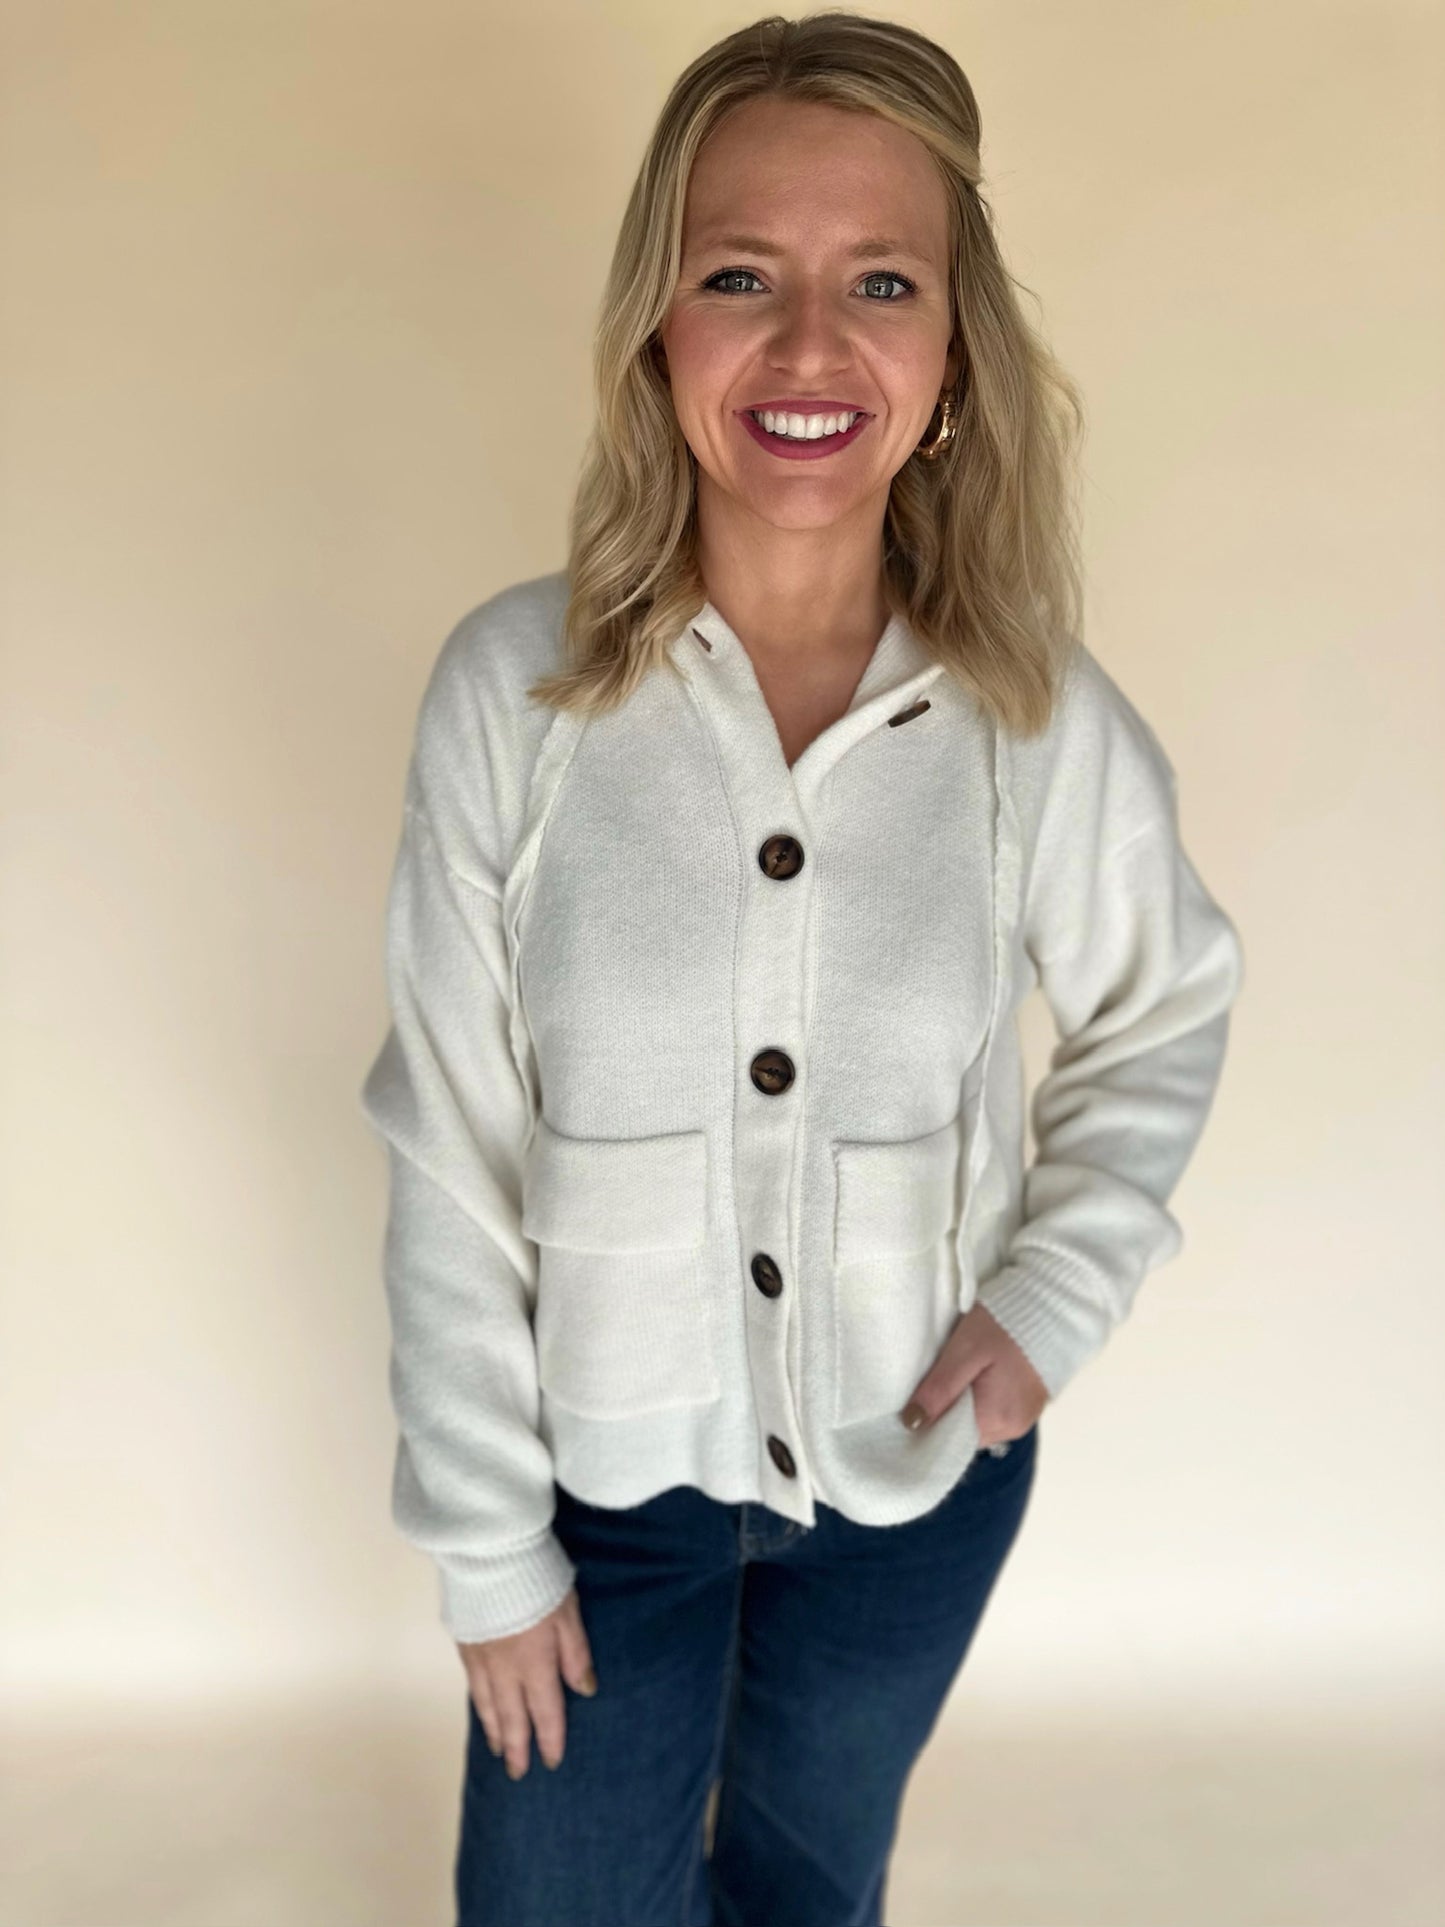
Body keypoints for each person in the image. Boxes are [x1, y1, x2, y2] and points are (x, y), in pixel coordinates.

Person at [358, 14, 1246, 1925]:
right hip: (596, 1508)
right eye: (738, 276)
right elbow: (445, 1136)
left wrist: (1049, 1305)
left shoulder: (1029, 723)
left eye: (883, 282)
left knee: (803, 1891)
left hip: (907, 1495)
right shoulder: (514, 700)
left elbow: (1162, 1005)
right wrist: (487, 1549)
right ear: (656, 331)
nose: (809, 345)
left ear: (948, 358)